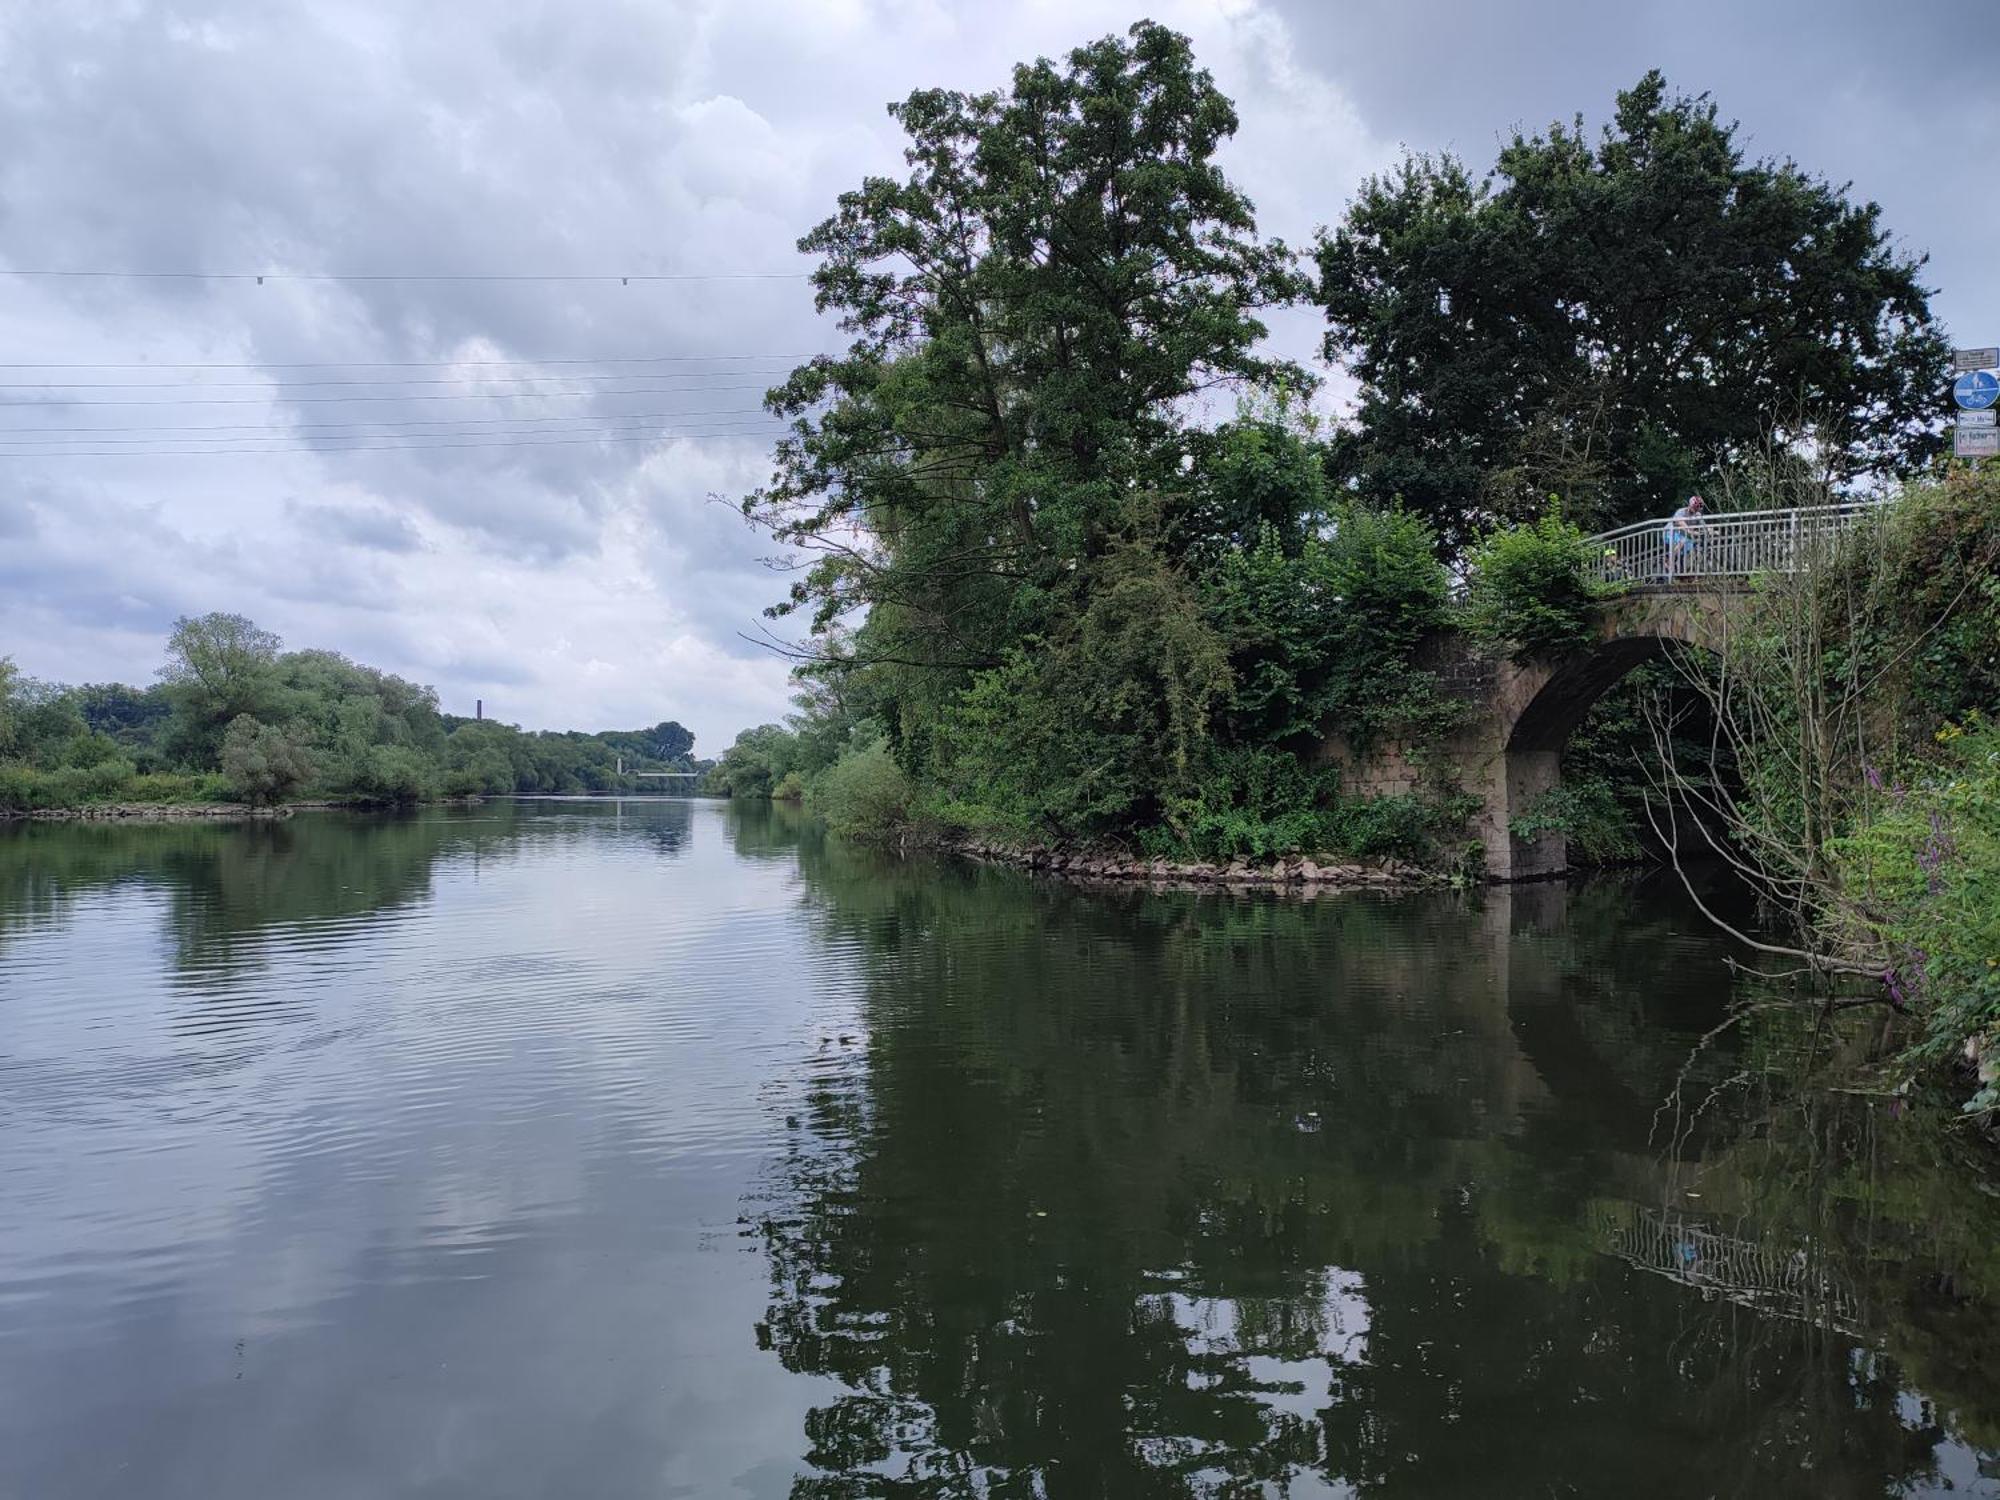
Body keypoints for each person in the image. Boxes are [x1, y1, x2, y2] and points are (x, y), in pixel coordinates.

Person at [1662, 494, 1706, 580]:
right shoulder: (1681, 511)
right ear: (1690, 505)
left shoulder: (1698, 515)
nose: (1695, 510)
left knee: (1691, 545)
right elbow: (1680, 521)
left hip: (1682, 534)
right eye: (1694, 507)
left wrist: (1713, 530)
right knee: (1682, 540)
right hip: (1670, 532)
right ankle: (1669, 560)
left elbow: (1704, 527)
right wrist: (1690, 531)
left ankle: (1684, 571)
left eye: (1697, 508)